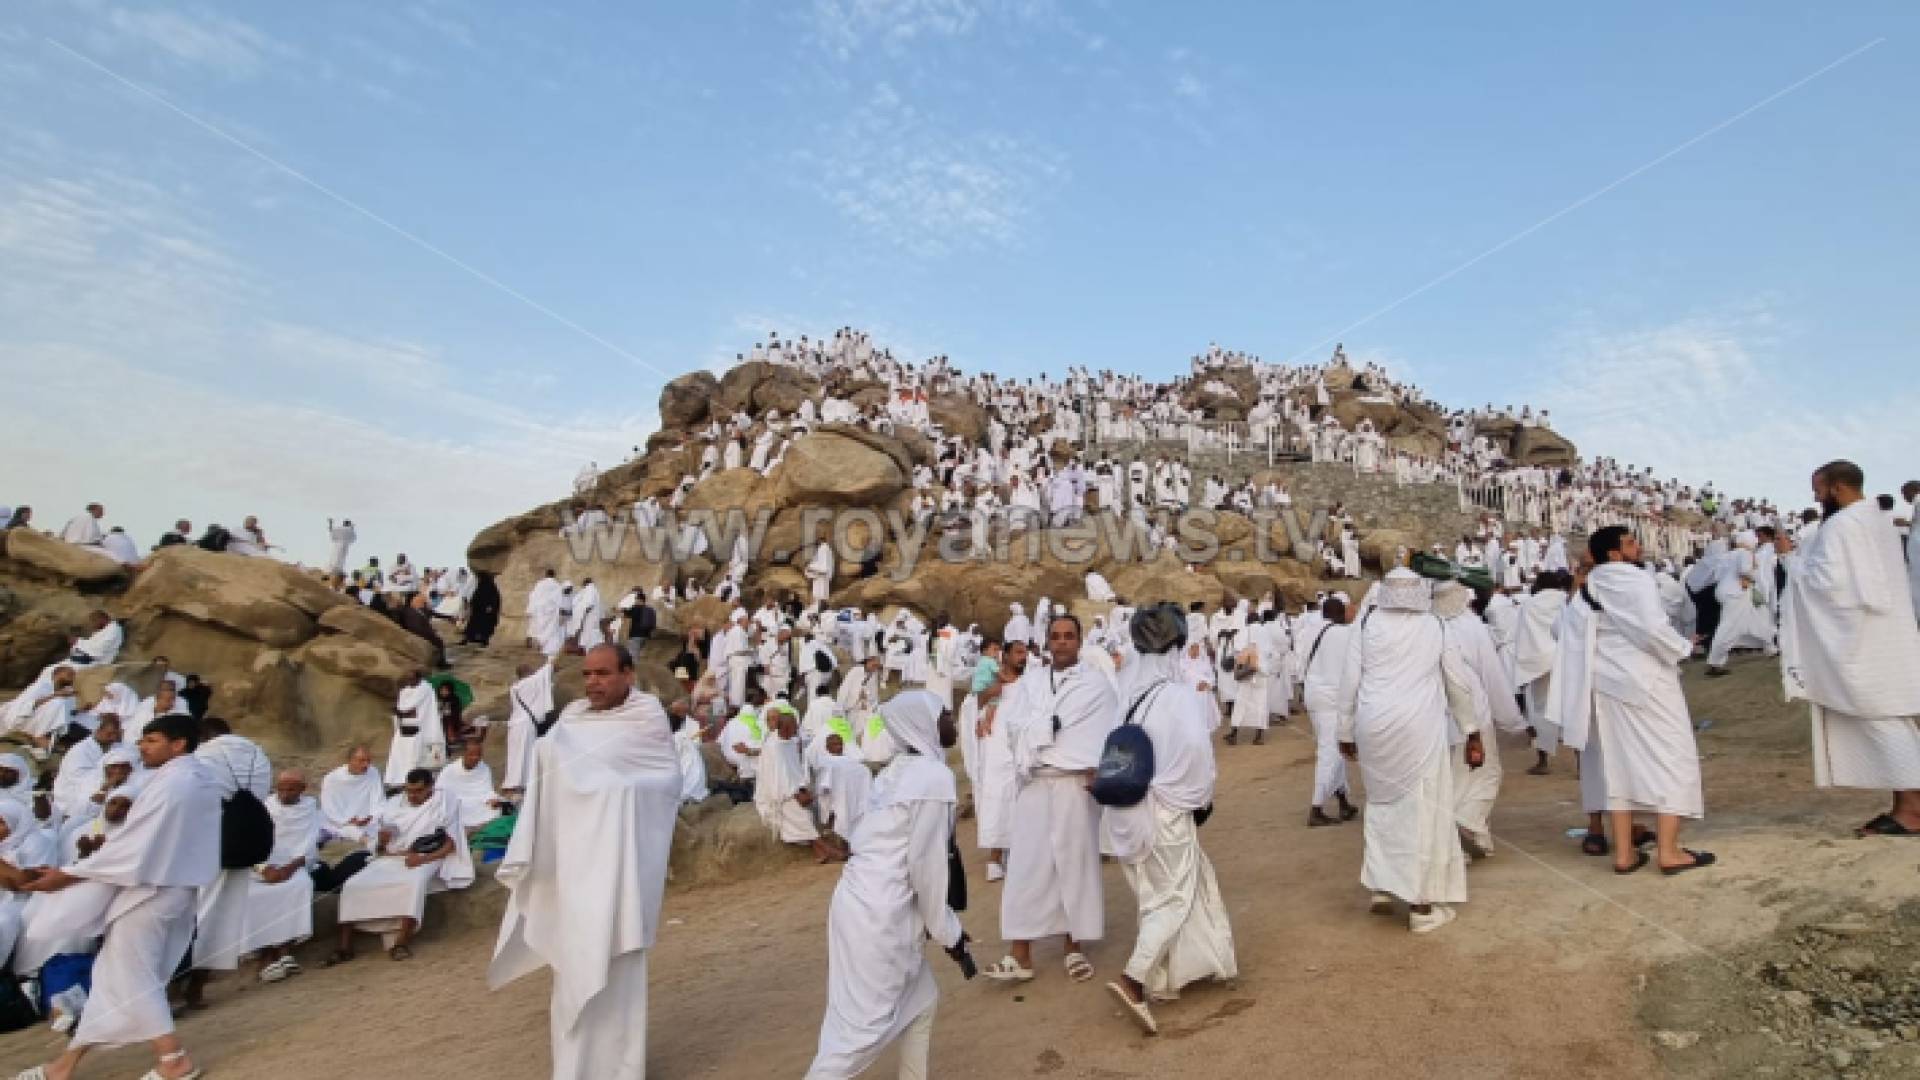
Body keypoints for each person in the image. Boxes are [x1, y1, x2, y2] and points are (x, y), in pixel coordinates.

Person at [490, 643, 682, 1080]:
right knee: (573, 965)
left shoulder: (647, 719)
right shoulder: (571, 718)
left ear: (628, 674)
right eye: (588, 675)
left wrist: (594, 782)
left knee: (618, 972)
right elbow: (554, 778)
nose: (592, 683)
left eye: (603, 674)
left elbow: (662, 781)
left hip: (622, 870)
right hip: (576, 866)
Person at [9, 713, 219, 1080]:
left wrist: (68, 874)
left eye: (151, 740)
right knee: (113, 978)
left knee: (135, 978)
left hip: (151, 893)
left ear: (178, 743)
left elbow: (135, 847)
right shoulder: (194, 777)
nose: (142, 746)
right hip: (168, 889)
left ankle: (174, 1062)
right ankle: (63, 1067)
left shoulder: (175, 784)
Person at [805, 690, 974, 1079]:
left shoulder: (900, 771)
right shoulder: (931, 778)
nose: (950, 719)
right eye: (943, 713)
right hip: (879, 916)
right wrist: (951, 935)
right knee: (857, 1037)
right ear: (924, 724)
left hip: (861, 904)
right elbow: (926, 870)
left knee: (922, 999)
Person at [1101, 605, 1236, 1035]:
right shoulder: (1177, 696)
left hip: (1126, 814)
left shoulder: (1127, 695)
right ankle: (1134, 980)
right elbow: (1196, 755)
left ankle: (1165, 977)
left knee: (1154, 895)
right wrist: (1196, 797)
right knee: (1174, 897)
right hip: (1165, 813)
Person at [1550, 527, 1711, 874]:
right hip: (1646, 683)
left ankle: (1624, 854)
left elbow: (1562, 632)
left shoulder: (1586, 589)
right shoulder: (1631, 579)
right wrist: (1684, 646)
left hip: (1604, 687)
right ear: (1613, 553)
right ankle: (1669, 851)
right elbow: (1652, 629)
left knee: (1617, 768)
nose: (1637, 546)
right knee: (1673, 758)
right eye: (1629, 542)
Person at [1336, 568, 1482, 933]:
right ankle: (1421, 904)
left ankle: (1383, 887)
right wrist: (1471, 730)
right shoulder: (1435, 625)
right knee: (1422, 812)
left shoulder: (1367, 623)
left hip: (1374, 726)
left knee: (1382, 803)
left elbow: (1350, 680)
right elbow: (1457, 683)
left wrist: (1344, 729)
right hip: (1418, 727)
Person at [1780, 460, 1920, 837]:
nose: (1815, 496)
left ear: (1837, 488)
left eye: (1818, 489)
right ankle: (1905, 804)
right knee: (1888, 717)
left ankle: (1913, 808)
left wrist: (1791, 561)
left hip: (1858, 641)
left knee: (1879, 719)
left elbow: (1829, 584)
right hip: (1883, 635)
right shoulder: (1877, 520)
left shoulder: (1842, 525)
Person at [986, 614, 1117, 984]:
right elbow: (1014, 727)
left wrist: (1048, 733)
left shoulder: (1096, 686)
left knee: (1074, 864)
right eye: (1055, 637)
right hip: (1035, 781)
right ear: (1047, 642)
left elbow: (1101, 734)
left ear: (1079, 641)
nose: (1062, 642)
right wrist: (1047, 729)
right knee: (1026, 865)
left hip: (1075, 785)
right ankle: (1020, 953)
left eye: (1069, 636)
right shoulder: (1030, 683)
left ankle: (1075, 946)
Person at [330, 766, 473, 963]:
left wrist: (421, 859)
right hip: (392, 857)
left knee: (412, 884)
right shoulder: (393, 804)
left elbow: (450, 844)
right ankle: (344, 947)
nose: (412, 795)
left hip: (427, 856)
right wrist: (381, 840)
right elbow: (380, 844)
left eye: (418, 791)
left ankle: (401, 942)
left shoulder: (445, 802)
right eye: (409, 790)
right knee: (352, 884)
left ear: (430, 787)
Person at [185, 718, 273, 1004]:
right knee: (222, 915)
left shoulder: (205, 756)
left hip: (211, 842)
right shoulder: (258, 754)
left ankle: (177, 985)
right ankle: (196, 988)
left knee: (193, 913)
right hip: (248, 840)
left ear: (204, 735)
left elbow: (198, 799)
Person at [1435, 583, 1525, 859]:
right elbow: (1491, 674)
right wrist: (1512, 720)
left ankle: (1469, 840)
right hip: (1471, 708)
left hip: (1435, 710)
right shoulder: (1472, 626)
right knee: (1486, 773)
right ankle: (1465, 823)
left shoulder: (1427, 625)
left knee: (1450, 778)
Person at [247, 769, 323, 984]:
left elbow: (309, 847)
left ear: (303, 789)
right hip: (262, 866)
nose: (286, 793)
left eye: (291, 789)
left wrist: (288, 869)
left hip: (294, 865)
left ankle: (284, 949)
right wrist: (264, 868)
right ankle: (264, 953)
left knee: (300, 886)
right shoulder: (264, 807)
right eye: (281, 789)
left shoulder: (311, 809)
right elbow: (250, 841)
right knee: (252, 894)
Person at [1300, 596, 1360, 827]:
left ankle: (1343, 801)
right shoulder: (1344, 634)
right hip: (1330, 700)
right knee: (1330, 752)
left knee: (1336, 749)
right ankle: (1316, 808)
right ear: (1342, 612)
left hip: (1313, 696)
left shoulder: (1311, 630)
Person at [503, 658, 555, 798]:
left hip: (516, 723)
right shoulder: (528, 683)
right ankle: (518, 784)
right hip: (525, 724)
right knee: (523, 754)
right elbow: (546, 670)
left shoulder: (515, 687)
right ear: (527, 672)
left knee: (516, 754)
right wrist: (552, 659)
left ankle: (515, 783)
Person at [385, 669, 445, 785]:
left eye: (412, 678)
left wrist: (402, 712)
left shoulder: (425, 689)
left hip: (419, 728)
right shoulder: (404, 691)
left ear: (419, 678)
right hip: (404, 728)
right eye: (408, 679)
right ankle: (398, 780)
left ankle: (415, 780)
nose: (410, 681)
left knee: (416, 756)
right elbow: (403, 708)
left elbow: (410, 708)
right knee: (400, 754)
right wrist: (401, 713)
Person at [319, 745, 384, 843]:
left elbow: (378, 800)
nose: (366, 765)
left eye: (368, 761)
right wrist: (347, 821)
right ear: (350, 760)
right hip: (340, 822)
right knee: (350, 830)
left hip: (368, 821)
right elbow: (329, 808)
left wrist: (372, 817)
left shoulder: (373, 772)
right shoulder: (332, 779)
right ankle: (370, 843)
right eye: (361, 761)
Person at [439, 739, 507, 828]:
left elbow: (487, 791)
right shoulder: (449, 770)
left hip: (478, 803)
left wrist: (492, 799)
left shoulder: (484, 768)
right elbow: (440, 792)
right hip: (458, 804)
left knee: (496, 810)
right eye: (471, 754)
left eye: (478, 755)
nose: (475, 758)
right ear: (463, 754)